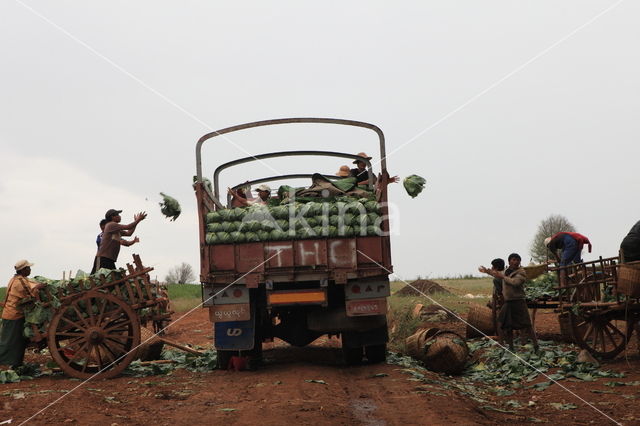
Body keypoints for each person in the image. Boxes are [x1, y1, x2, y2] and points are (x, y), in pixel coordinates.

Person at [480, 253, 538, 352]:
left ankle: (536, 346)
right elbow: (497, 274)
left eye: (517, 260)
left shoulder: (521, 272)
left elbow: (515, 283)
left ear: (520, 262)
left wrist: (503, 277)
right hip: (509, 302)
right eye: (513, 260)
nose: (516, 262)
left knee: (527, 325)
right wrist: (487, 271)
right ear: (509, 261)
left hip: (519, 301)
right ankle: (511, 348)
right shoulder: (506, 271)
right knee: (507, 325)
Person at [0, 260, 45, 369]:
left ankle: (15, 363)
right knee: (11, 342)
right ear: (23, 270)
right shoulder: (20, 282)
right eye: (28, 268)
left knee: (15, 341)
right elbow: (30, 297)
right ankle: (6, 364)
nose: (30, 270)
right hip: (14, 315)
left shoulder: (15, 279)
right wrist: (38, 288)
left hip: (10, 313)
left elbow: (29, 284)